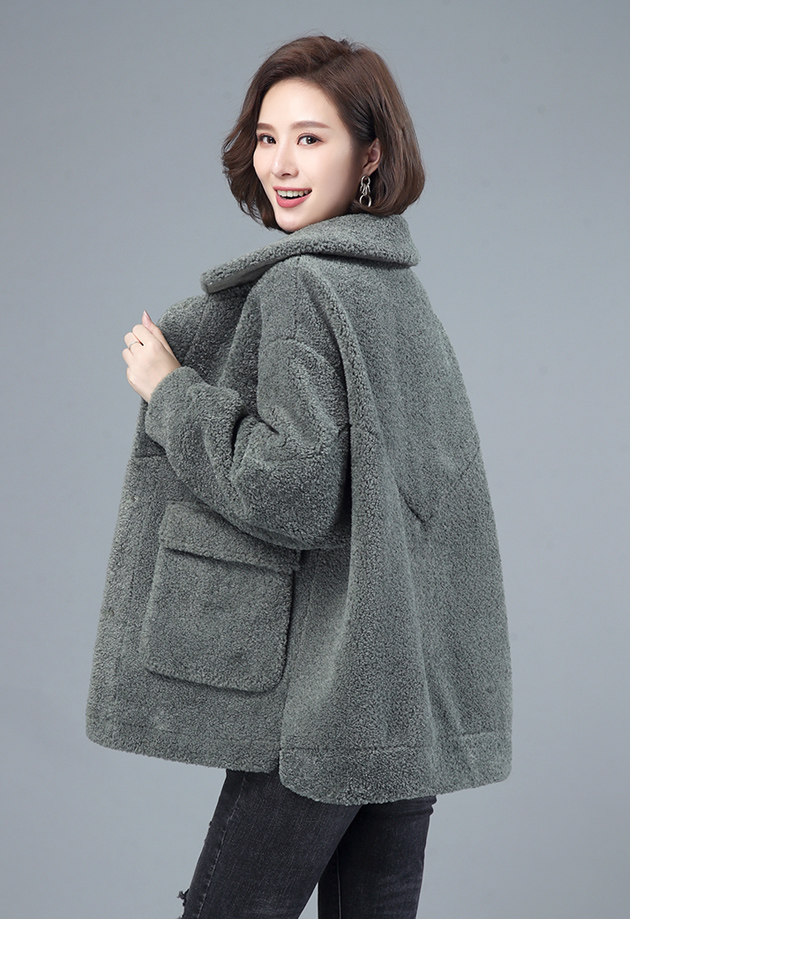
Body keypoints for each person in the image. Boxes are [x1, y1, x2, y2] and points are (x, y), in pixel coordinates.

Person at [86, 35, 512, 919]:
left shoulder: (301, 288)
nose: (280, 164)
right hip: (401, 699)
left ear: (371, 154)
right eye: (267, 137)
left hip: (324, 705)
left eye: (310, 139)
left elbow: (291, 491)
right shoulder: (395, 292)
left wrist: (172, 393)